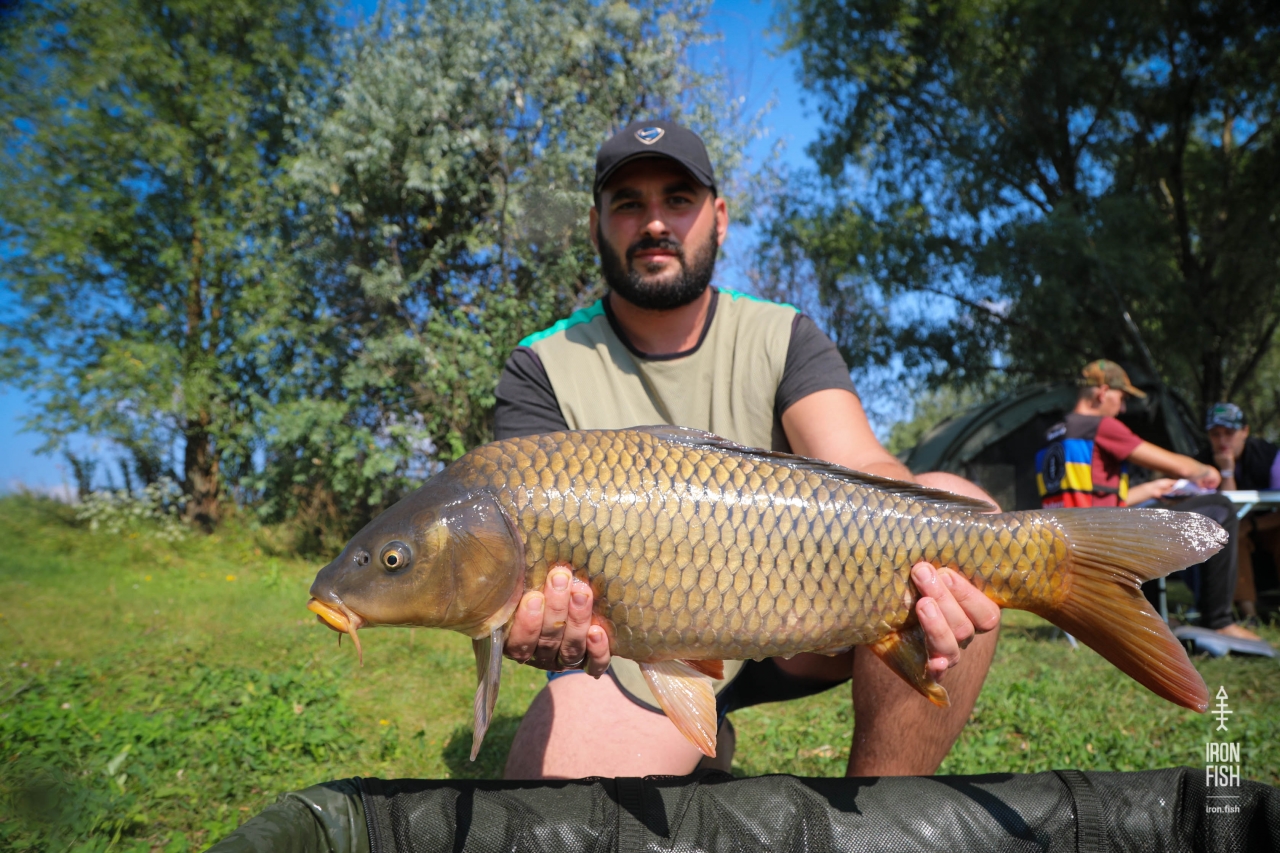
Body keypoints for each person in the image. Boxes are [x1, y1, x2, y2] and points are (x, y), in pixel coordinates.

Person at [491, 120, 1001, 780]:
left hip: (804, 627)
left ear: (720, 217)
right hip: (630, 650)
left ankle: (879, 813)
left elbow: (865, 466)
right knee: (552, 807)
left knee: (957, 518)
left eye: (678, 199)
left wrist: (931, 566)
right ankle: (695, 737)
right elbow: (520, 553)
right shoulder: (541, 365)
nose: (655, 223)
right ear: (595, 226)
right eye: (628, 204)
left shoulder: (782, 334)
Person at [1035, 360, 1259, 640]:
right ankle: (1219, 621)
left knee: (1149, 513)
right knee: (1220, 507)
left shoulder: (1053, 435)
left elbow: (1088, 501)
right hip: (1100, 543)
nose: (1122, 408)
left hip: (1070, 542)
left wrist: (1153, 488)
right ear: (1103, 392)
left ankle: (1152, 617)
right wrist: (1207, 471)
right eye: (1122, 398)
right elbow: (1179, 466)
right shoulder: (1100, 426)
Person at [1203, 402, 1280, 621]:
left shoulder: (1271, 457)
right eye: (1215, 434)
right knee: (1230, 536)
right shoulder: (1201, 461)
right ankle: (1249, 616)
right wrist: (1227, 472)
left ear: (1245, 431)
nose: (1222, 440)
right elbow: (1226, 510)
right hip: (1232, 530)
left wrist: (1252, 525)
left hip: (1269, 524)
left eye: (1229, 433)